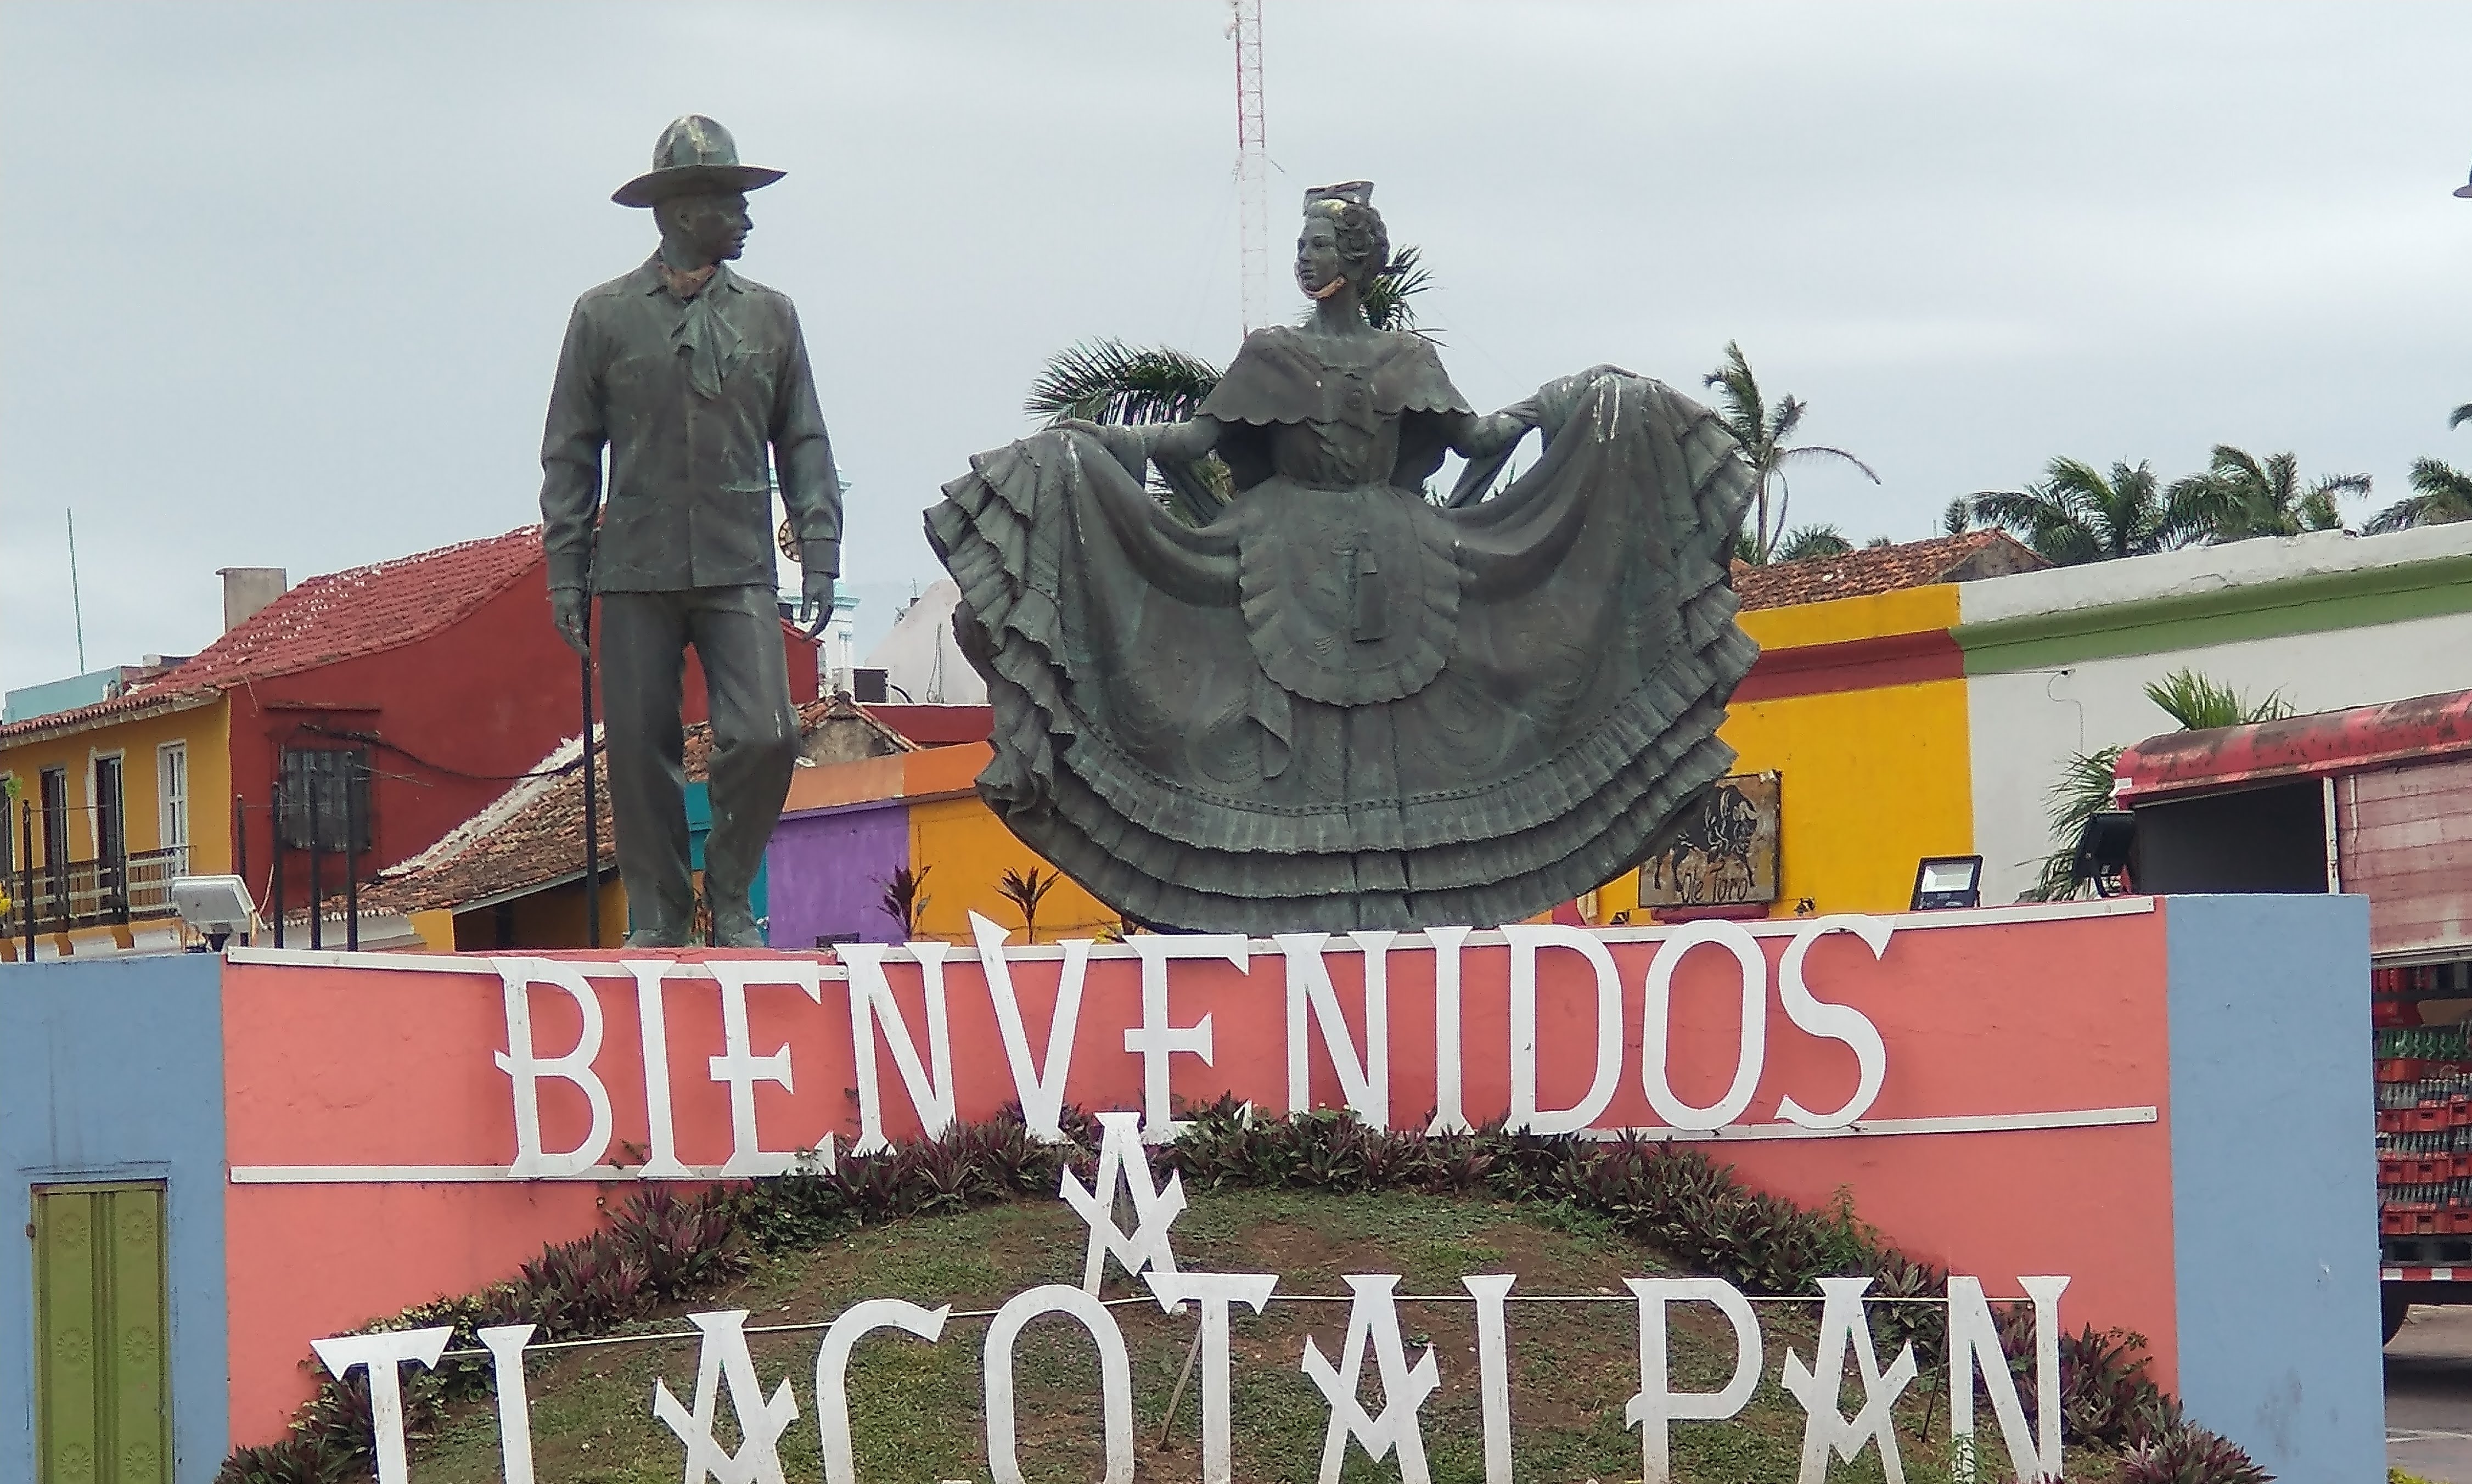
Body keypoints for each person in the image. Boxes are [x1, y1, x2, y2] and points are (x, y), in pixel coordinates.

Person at [928, 181, 1757, 934]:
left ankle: (1410, 896)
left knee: (1421, 725)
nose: (1303, 256)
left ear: (1356, 259)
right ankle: (1280, 894)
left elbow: (1478, 437)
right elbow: (1191, 439)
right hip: (1278, 555)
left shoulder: (1408, 360)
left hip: (1402, 561)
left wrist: (1573, 401)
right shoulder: (1272, 358)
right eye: (1300, 245)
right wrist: (1092, 445)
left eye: (1318, 245)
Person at [540, 116, 840, 948]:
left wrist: (820, 547)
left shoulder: (772, 319)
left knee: (768, 735)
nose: (747, 218)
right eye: (730, 202)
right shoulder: (601, 317)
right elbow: (569, 454)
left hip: (739, 562)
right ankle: (662, 917)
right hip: (633, 567)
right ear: (678, 212)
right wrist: (566, 572)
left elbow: (805, 439)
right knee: (639, 755)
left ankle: (733, 896)